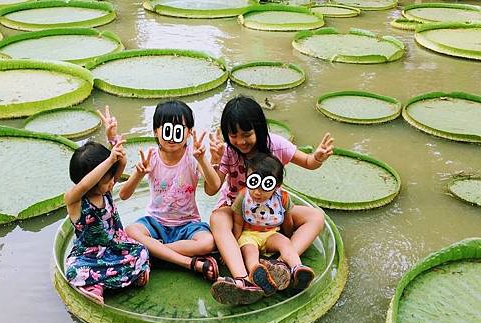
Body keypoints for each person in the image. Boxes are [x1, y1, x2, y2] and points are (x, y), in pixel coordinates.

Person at [209, 95, 334, 305]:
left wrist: (318, 157)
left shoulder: (275, 144)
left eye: (247, 134)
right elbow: (212, 189)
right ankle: (242, 280)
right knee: (217, 219)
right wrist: (214, 161)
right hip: (235, 207)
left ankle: (281, 266)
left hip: (272, 211)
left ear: (258, 129)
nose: (240, 141)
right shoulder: (227, 151)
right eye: (234, 135)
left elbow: (308, 162)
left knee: (316, 216)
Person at [115, 100, 222, 281]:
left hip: (188, 224)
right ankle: (187, 261)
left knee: (207, 242)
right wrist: (139, 173)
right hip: (155, 222)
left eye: (179, 130)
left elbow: (214, 188)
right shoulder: (151, 157)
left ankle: (154, 254)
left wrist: (204, 159)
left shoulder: (193, 157)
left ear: (188, 132)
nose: (172, 137)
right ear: (156, 131)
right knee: (131, 231)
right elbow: (123, 195)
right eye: (167, 130)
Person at [64, 140, 150, 305]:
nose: (113, 182)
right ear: (94, 181)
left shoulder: (106, 190)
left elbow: (121, 163)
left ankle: (120, 277)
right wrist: (109, 160)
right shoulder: (74, 201)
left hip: (116, 248)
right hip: (89, 256)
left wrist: (116, 147)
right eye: (107, 179)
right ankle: (95, 286)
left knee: (142, 252)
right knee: (75, 271)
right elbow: (84, 185)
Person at [219, 153, 314, 302]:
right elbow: (237, 223)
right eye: (254, 183)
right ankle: (256, 272)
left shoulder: (282, 198)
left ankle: (297, 269)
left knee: (285, 244)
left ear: (276, 185)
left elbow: (287, 220)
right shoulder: (243, 197)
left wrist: (287, 236)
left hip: (271, 233)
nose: (257, 192)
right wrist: (235, 244)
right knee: (250, 252)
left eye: (265, 186)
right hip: (248, 235)